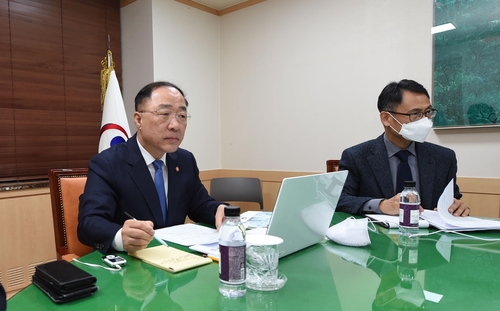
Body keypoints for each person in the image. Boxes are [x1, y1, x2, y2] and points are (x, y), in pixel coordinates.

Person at [78, 81, 226, 253]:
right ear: (138, 119)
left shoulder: (184, 160)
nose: (175, 125)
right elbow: (89, 222)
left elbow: (199, 205)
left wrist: (218, 210)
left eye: (182, 116)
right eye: (164, 114)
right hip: (131, 266)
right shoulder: (108, 163)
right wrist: (120, 236)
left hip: (177, 261)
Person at [337, 79, 470, 216]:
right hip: (376, 234)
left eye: (428, 112)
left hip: (428, 235)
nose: (425, 120)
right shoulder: (356, 156)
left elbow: (452, 201)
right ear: (386, 118)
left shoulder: (443, 157)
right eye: (415, 114)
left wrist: (457, 207)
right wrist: (381, 205)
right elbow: (340, 200)